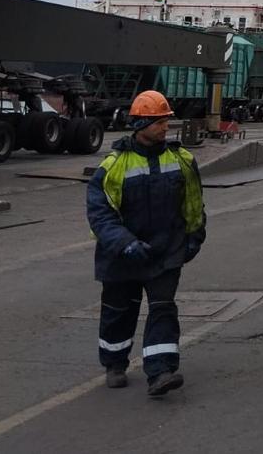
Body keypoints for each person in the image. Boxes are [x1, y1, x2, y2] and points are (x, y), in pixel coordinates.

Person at [85, 90, 206, 395]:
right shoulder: (113, 166)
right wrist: (125, 244)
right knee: (118, 311)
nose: (165, 127)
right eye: (158, 122)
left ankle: (161, 372)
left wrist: (194, 237)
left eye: (166, 120)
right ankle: (114, 363)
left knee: (163, 309)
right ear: (140, 125)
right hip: (121, 256)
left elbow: (193, 203)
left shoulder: (181, 160)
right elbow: (100, 214)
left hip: (165, 252)